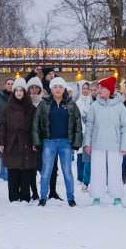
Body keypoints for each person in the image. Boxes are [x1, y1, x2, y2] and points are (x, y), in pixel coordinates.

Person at [31, 76, 82, 207]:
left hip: (65, 142)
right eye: (55, 87)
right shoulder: (44, 103)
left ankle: (71, 197)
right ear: (51, 89)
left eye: (60, 87)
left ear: (64, 88)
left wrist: (76, 142)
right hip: (49, 141)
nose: (58, 89)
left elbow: (77, 123)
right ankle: (43, 197)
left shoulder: (71, 104)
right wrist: (37, 141)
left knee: (67, 171)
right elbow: (36, 123)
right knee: (46, 171)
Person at [83, 76, 126, 207]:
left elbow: (125, 128)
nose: (99, 90)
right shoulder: (94, 106)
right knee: (97, 171)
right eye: (99, 87)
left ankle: (117, 196)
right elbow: (89, 126)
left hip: (116, 145)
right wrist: (87, 143)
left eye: (102, 87)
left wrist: (125, 146)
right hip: (98, 144)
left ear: (109, 89)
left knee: (115, 171)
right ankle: (96, 196)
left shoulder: (120, 107)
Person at [0, 77, 37, 202]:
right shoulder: (7, 110)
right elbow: (2, 127)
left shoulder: (31, 109)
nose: (19, 93)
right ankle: (13, 197)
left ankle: (25, 196)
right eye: (16, 90)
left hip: (27, 141)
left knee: (25, 170)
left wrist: (36, 142)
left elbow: (35, 127)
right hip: (12, 142)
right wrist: (1, 142)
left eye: (21, 90)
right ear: (13, 92)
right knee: (13, 170)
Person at [75, 80, 94, 191]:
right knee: (80, 154)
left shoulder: (92, 101)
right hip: (81, 131)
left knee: (88, 156)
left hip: (90, 132)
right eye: (84, 88)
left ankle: (88, 179)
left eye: (87, 88)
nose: (86, 90)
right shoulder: (77, 102)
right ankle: (80, 176)